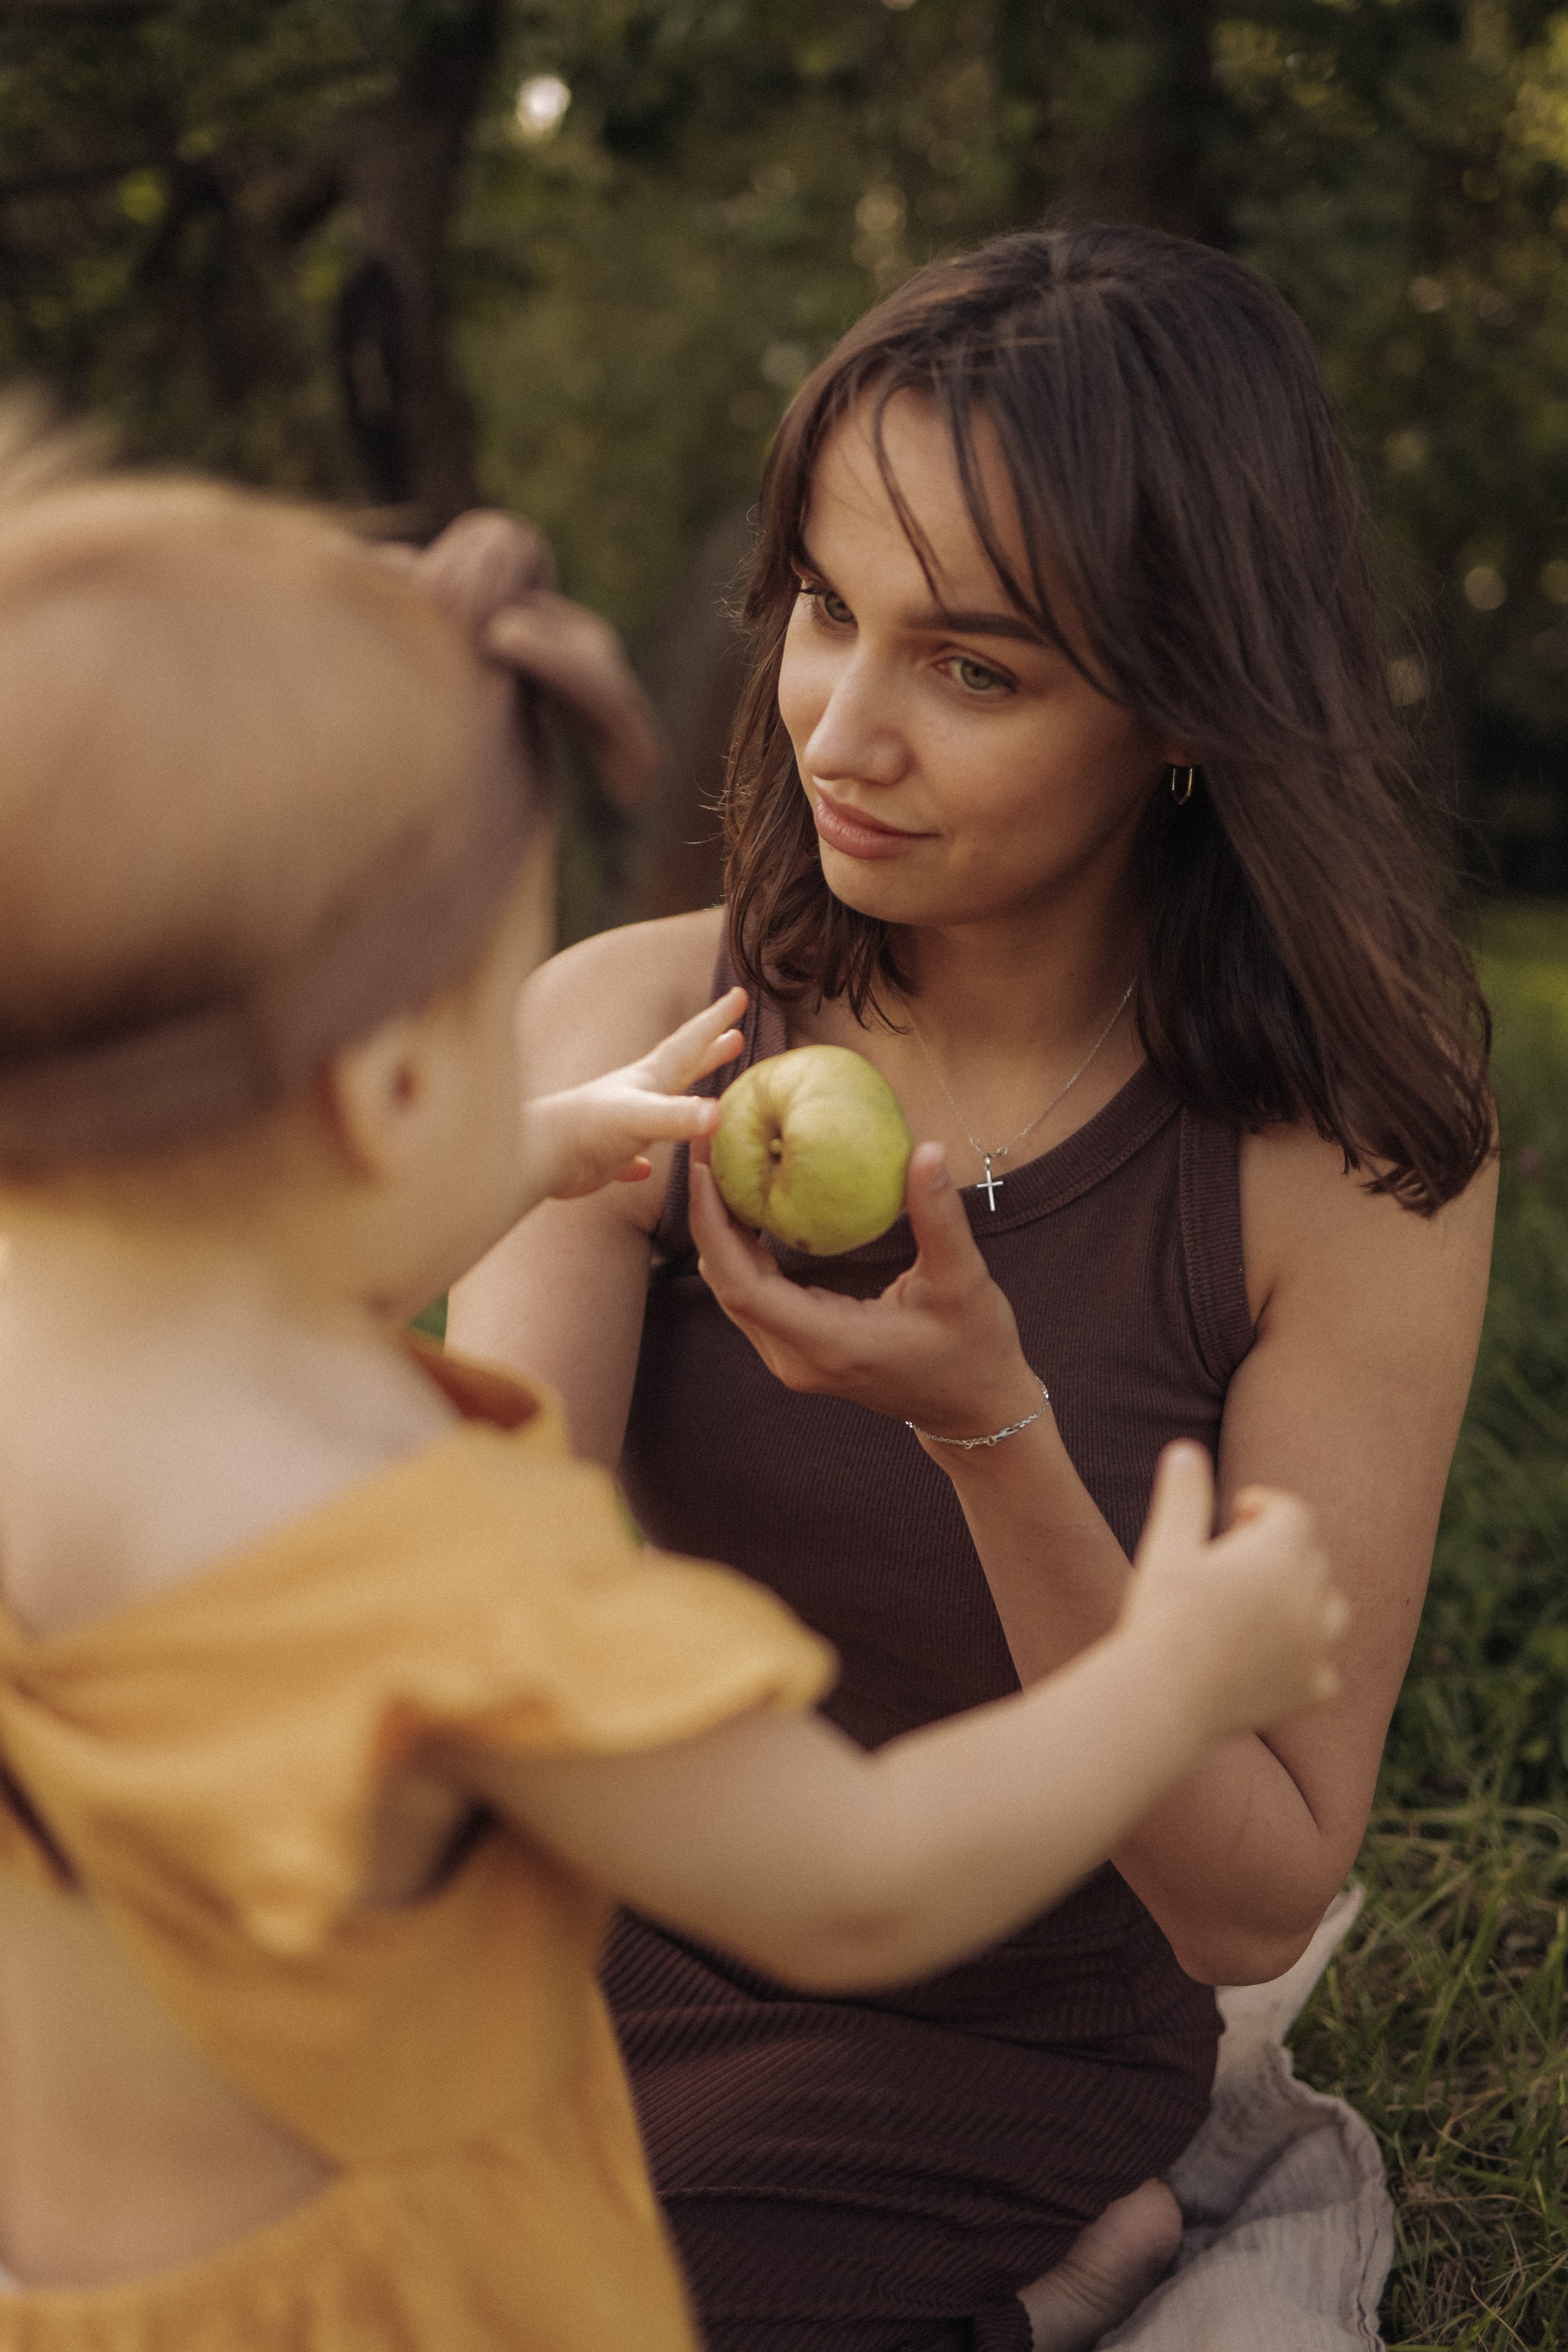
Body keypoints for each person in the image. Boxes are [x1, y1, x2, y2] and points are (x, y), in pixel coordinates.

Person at [0, 424, 1343, 2346]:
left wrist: (526, 1144)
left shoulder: (43, 1326)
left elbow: (238, 1255)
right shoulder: (433, 1568)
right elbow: (854, 1885)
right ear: (380, 1090)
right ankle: (1040, 2313)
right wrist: (1172, 1678)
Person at [449, 222, 1499, 2352]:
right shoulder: (639, 1039)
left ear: (1184, 712)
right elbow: (476, 1653)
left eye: (978, 667)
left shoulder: (1342, 1171)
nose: (842, 729)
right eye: (828, 610)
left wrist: (985, 1430)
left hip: (973, 2026)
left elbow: (1250, 1887)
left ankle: (1026, 2288)